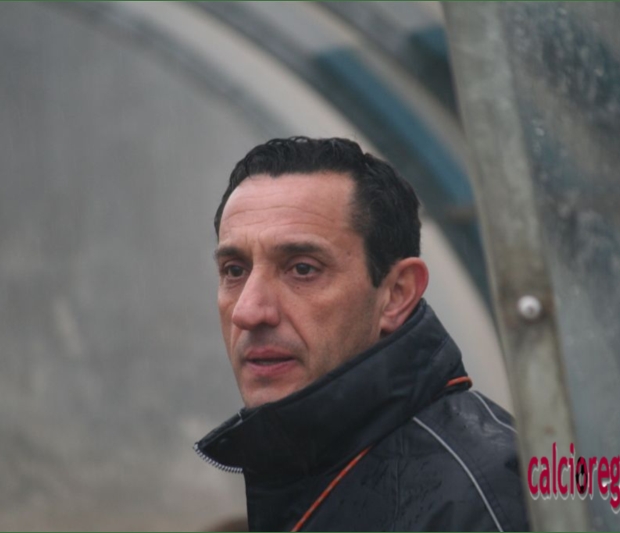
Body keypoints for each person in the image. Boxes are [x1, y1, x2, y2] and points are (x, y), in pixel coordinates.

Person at [194, 137, 530, 531]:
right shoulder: (309, 473)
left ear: (396, 294)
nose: (249, 311)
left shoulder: (488, 502)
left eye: (302, 269)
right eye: (234, 271)